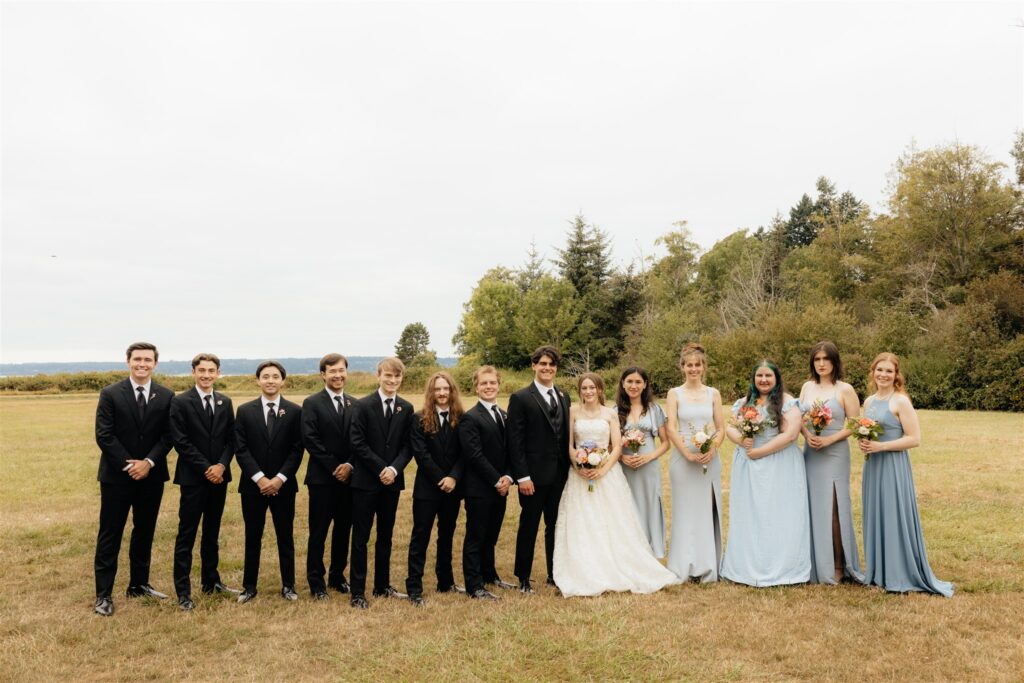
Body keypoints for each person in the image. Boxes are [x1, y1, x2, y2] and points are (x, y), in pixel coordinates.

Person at [553, 373, 680, 597]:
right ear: (580, 391)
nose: (588, 392)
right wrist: (579, 464)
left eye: (593, 387)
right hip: (580, 475)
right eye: (584, 388)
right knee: (583, 520)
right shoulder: (572, 411)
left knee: (612, 520)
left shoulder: (610, 414)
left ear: (600, 390)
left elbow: (617, 447)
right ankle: (585, 566)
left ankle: (619, 564)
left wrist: (602, 469)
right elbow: (570, 446)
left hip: (607, 474)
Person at [860, 353, 953, 597]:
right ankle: (877, 573)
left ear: (896, 375)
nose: (883, 375)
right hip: (873, 466)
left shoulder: (900, 401)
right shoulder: (868, 402)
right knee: (876, 514)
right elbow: (868, 431)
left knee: (893, 514)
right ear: (873, 372)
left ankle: (898, 574)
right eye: (880, 370)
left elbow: (914, 439)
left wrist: (881, 446)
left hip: (893, 464)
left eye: (889, 371)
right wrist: (865, 442)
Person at [93, 342, 173, 616]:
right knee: (110, 534)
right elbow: (104, 435)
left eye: (147, 359)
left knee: (144, 531)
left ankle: (139, 584)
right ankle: (103, 594)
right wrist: (130, 465)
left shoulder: (166, 395)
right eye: (137, 359)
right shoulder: (111, 394)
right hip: (117, 477)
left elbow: (168, 436)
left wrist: (149, 462)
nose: (142, 364)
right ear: (128, 361)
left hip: (152, 475)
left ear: (155, 364)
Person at [720, 360, 811, 587]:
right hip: (748, 465)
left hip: (780, 462)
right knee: (750, 513)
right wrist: (742, 440)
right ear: (753, 378)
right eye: (759, 376)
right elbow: (730, 428)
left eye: (768, 376)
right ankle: (746, 566)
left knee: (780, 513)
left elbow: (790, 435)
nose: (763, 380)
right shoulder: (743, 403)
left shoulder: (788, 402)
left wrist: (759, 451)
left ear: (776, 378)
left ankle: (784, 568)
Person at [168, 353, 238, 611]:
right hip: (193, 477)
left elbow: (232, 438)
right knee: (187, 533)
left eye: (211, 370)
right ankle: (183, 591)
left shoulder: (224, 401)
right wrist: (205, 467)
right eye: (202, 370)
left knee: (212, 532)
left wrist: (221, 465)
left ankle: (211, 582)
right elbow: (180, 440)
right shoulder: (181, 401)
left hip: (220, 477)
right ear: (193, 372)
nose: (206, 375)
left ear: (218, 373)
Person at [234, 360, 304, 603]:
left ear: (283, 380)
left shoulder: (295, 411)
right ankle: (249, 587)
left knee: (285, 536)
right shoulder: (244, 411)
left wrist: (279, 479)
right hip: (253, 486)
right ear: (258, 380)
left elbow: (297, 449)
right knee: (253, 536)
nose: (270, 380)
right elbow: (241, 449)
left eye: (275, 376)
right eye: (266, 376)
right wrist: (260, 478)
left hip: (284, 486)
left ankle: (289, 586)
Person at [348, 357, 415, 609]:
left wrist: (395, 469)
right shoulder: (362, 405)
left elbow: (408, 446)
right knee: (361, 537)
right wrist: (381, 468)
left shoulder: (406, 408)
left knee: (385, 536)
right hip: (366, 482)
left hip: (392, 484)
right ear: (378, 376)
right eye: (388, 376)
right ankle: (357, 591)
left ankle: (382, 585)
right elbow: (357, 442)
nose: (392, 380)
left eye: (397, 377)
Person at [799, 341, 865, 585]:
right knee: (814, 507)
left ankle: (839, 564)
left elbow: (855, 423)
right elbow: (799, 418)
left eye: (826, 359)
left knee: (835, 508)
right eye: (817, 359)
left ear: (835, 362)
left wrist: (830, 440)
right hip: (811, 451)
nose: (821, 364)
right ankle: (815, 562)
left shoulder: (844, 389)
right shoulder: (807, 387)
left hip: (835, 452)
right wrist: (808, 436)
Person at [507, 345, 571, 593]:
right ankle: (523, 577)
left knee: (555, 525)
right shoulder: (521, 398)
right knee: (529, 525)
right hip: (532, 477)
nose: (547, 368)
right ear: (534, 365)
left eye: (551, 364)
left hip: (560, 475)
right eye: (542, 364)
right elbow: (515, 441)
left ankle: (554, 573)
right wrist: (522, 476)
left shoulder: (564, 396)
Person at [664, 343, 725, 582]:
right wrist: (687, 454)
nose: (693, 369)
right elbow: (670, 427)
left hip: (708, 460)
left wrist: (713, 448)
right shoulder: (674, 393)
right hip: (683, 459)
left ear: (703, 367)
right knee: (684, 511)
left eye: (697, 365)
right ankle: (683, 566)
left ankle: (707, 566)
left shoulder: (713, 393)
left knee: (704, 511)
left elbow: (720, 427)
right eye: (689, 365)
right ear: (682, 367)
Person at [405, 371, 466, 605]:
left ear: (452, 391)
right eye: (437, 389)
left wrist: (453, 478)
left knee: (447, 535)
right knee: (420, 536)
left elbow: (464, 453)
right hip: (427, 489)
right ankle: (414, 587)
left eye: (446, 389)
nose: (442, 393)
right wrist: (442, 478)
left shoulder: (461, 417)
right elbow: (420, 454)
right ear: (431, 392)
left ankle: (445, 581)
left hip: (453, 488)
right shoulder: (419, 418)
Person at [301, 353, 357, 600]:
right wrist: (336, 467)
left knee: (344, 530)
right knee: (319, 531)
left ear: (346, 372)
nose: (338, 375)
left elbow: (360, 441)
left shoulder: (355, 403)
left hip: (350, 479)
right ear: (323, 374)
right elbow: (310, 440)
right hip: (323, 479)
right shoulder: (312, 403)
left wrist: (350, 465)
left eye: (341, 370)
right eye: (332, 371)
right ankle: (316, 582)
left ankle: (337, 576)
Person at [458, 366, 515, 600]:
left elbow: (512, 451)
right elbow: (473, 455)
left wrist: (509, 478)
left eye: (492, 383)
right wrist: (496, 480)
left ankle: (490, 575)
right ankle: (474, 584)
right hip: (479, 488)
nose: (489, 386)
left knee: (491, 535)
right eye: (484, 383)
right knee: (476, 536)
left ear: (498, 385)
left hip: (501, 488)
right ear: (476, 387)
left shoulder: (504, 414)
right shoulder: (469, 418)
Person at [616, 366, 669, 558]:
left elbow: (665, 443)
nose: (633, 385)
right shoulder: (615, 411)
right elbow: (611, 444)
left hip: (649, 465)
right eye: (629, 381)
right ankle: (630, 548)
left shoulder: (654, 409)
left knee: (650, 502)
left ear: (645, 384)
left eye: (638, 382)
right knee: (627, 503)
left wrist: (649, 456)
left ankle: (653, 547)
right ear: (623, 383)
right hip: (625, 466)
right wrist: (622, 457)